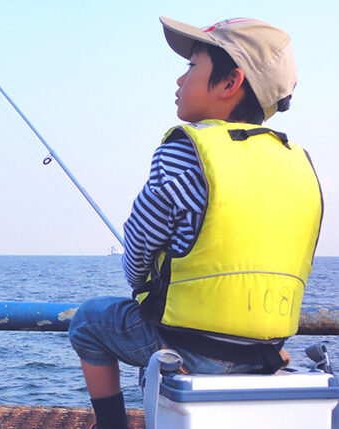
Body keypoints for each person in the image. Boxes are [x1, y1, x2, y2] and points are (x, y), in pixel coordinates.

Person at [68, 17, 323, 429]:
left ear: (230, 83)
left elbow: (139, 242)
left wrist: (139, 285)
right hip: (268, 349)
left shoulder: (186, 153)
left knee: (89, 321)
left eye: (191, 67)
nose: (179, 79)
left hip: (190, 346)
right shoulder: (300, 164)